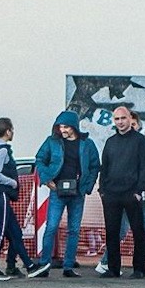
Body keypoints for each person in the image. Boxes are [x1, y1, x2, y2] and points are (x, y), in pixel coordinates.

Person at [30, 110, 100, 278]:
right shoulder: (51, 142)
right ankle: (44, 264)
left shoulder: (87, 144)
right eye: (60, 126)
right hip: (57, 192)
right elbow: (39, 160)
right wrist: (47, 179)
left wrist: (87, 187)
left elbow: (95, 166)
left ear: (74, 127)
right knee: (51, 227)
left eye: (66, 127)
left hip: (78, 193)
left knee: (74, 230)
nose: (63, 130)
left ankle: (68, 266)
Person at [98, 104, 145, 277]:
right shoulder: (110, 142)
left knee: (138, 232)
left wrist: (138, 191)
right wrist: (102, 190)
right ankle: (113, 269)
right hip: (111, 194)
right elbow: (104, 167)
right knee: (112, 232)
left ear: (130, 119)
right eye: (117, 119)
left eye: (123, 118)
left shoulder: (141, 141)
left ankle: (139, 269)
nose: (120, 122)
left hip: (132, 194)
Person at [0, 117, 32, 279]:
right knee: (0, 233)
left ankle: (27, 265)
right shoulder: (2, 150)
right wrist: (13, 183)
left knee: (15, 232)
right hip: (0, 195)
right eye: (12, 130)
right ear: (8, 131)